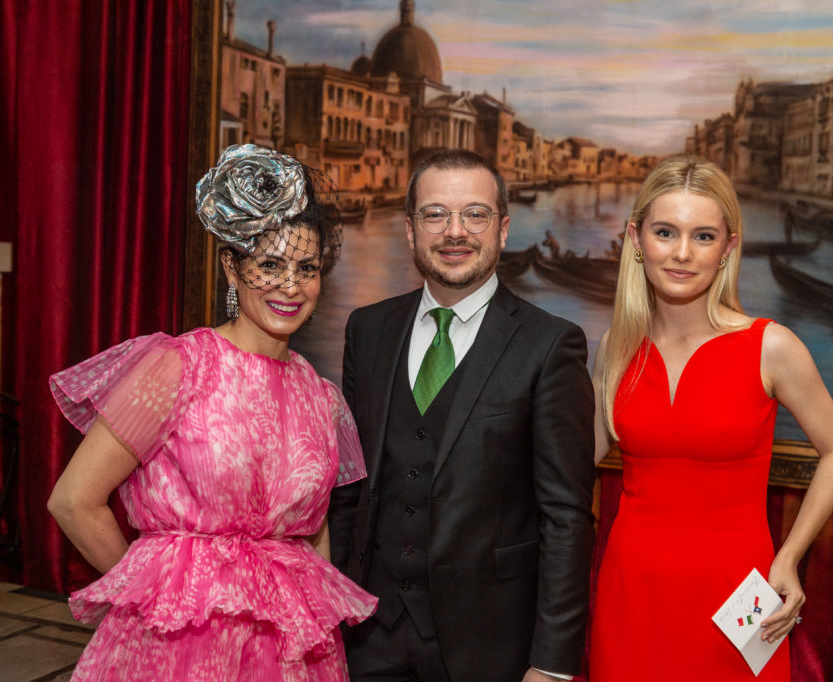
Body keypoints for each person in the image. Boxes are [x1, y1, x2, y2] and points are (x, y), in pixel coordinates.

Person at [47, 144, 377, 681]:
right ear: (232, 265)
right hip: (178, 649)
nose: (291, 286)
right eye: (270, 264)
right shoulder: (178, 367)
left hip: (290, 657)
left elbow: (313, 535)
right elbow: (73, 500)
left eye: (307, 268)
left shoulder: (323, 397)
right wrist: (155, 596)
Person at [329, 149, 596, 681]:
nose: (456, 231)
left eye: (475, 214)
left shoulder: (550, 346)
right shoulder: (368, 330)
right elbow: (350, 490)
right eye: (435, 214)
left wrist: (552, 664)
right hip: (368, 637)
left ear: (502, 229)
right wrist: (333, 608)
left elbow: (567, 517)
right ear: (410, 230)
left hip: (490, 643)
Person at [588, 155, 833, 681]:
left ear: (728, 247)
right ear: (636, 239)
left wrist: (790, 557)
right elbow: (579, 460)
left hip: (739, 600)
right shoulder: (614, 348)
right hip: (630, 593)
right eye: (666, 232)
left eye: (704, 236)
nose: (683, 253)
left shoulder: (770, 346)